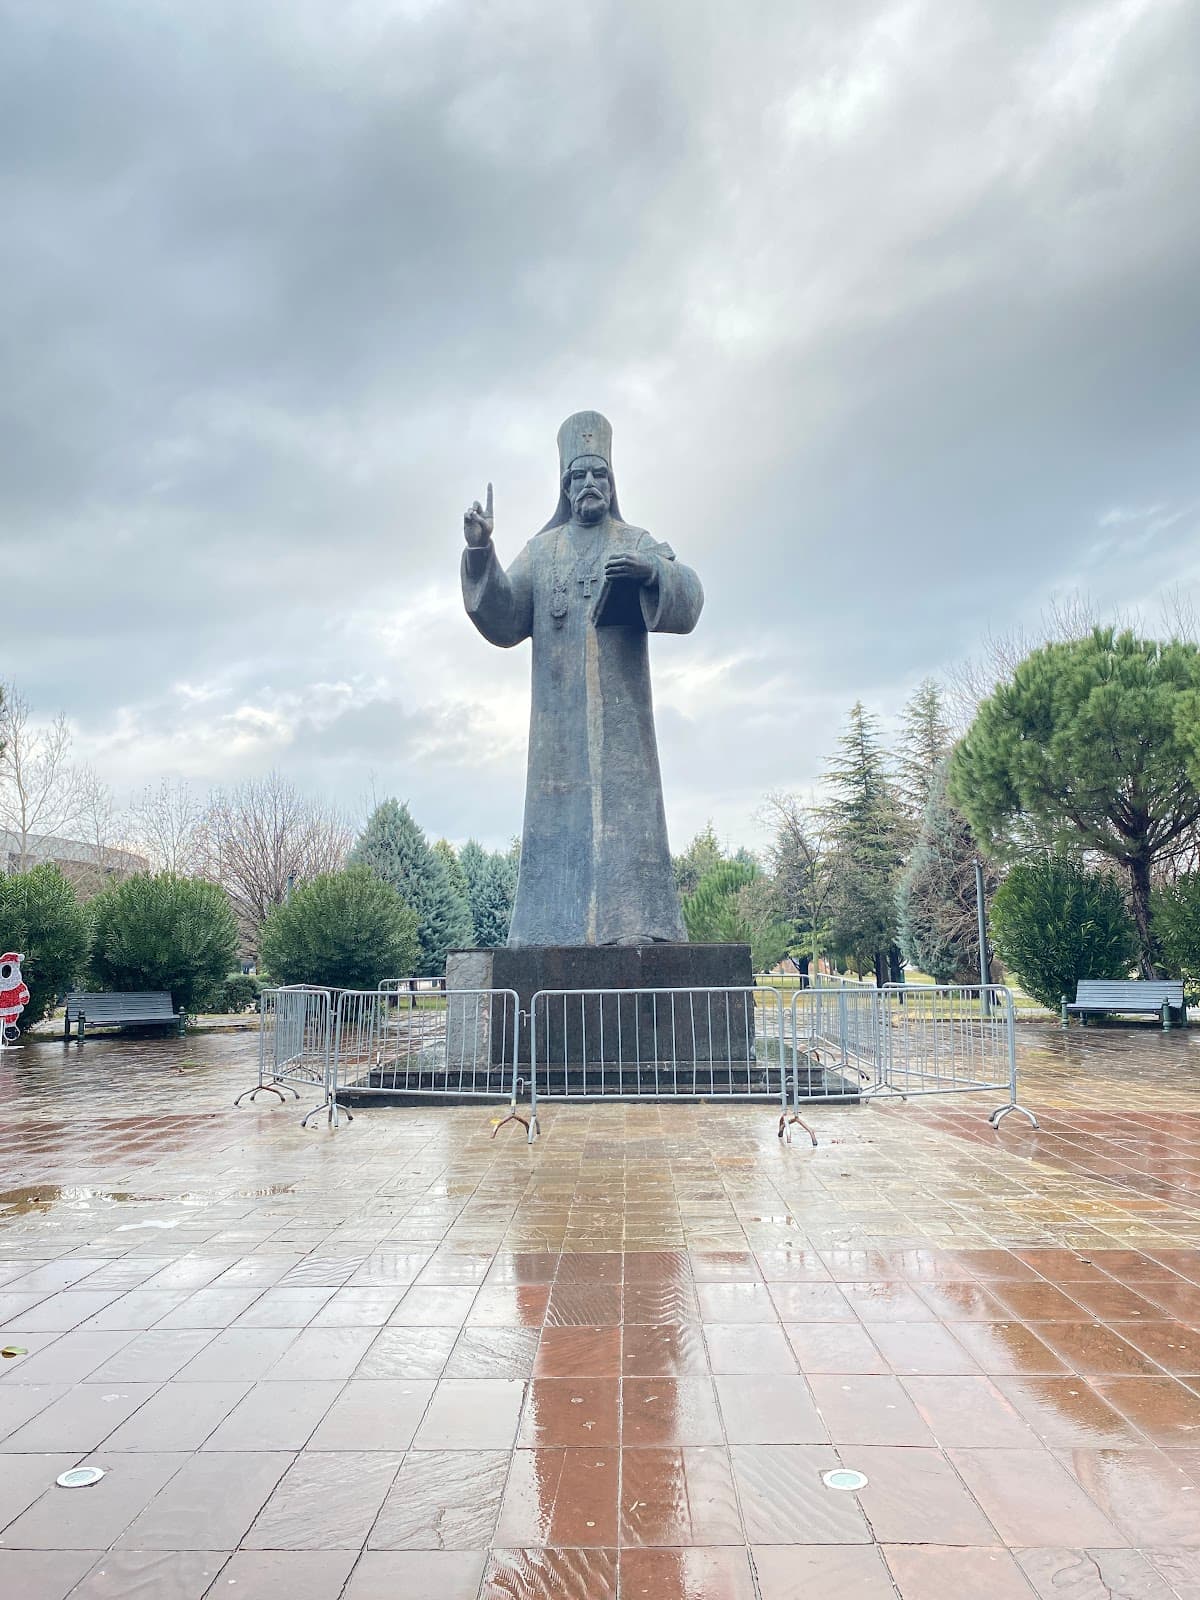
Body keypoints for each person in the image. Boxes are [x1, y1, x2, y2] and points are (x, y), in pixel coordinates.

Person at [461, 411, 703, 946]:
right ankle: (549, 931)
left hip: (623, 735)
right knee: (556, 827)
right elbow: (503, 617)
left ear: (612, 485)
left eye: (599, 474)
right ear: (564, 487)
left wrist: (652, 574)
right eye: (578, 476)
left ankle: (642, 926)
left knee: (630, 824)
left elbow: (691, 599)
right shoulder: (542, 552)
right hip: (558, 736)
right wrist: (481, 551)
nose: (588, 484)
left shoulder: (636, 540)